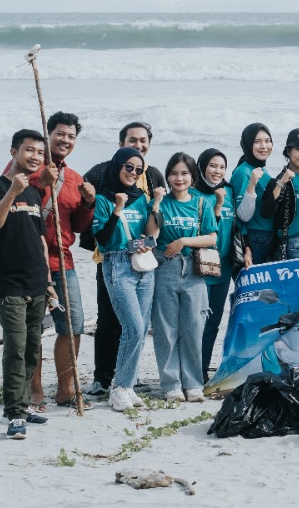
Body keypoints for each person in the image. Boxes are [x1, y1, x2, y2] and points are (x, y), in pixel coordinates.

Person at [81, 121, 165, 398]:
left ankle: (126, 379)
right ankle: (104, 379)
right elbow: (93, 221)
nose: (138, 146)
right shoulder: (101, 175)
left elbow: (150, 229)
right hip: (111, 260)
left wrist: (146, 240)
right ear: (121, 144)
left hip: (140, 261)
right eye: (132, 140)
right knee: (110, 321)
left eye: (143, 141)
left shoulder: (151, 178)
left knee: (137, 327)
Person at [0, 129, 54, 439]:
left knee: (32, 350)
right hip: (8, 283)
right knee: (15, 348)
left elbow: (40, 239)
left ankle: (21, 407)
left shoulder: (36, 193)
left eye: (39, 152)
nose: (35, 156)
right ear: (14, 152)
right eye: (29, 150)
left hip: (36, 282)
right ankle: (13, 414)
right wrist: (12, 192)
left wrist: (48, 281)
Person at [29, 111, 95, 410]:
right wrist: (40, 182)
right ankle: (34, 390)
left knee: (73, 323)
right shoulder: (29, 166)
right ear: (48, 133)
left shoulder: (74, 178)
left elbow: (80, 227)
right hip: (29, 260)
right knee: (31, 327)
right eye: (60, 134)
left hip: (63, 262)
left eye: (71, 136)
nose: (65, 140)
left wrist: (89, 203)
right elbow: (11, 193)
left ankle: (66, 390)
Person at [152, 152, 217, 403]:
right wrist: (156, 205)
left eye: (184, 173)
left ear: (193, 176)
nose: (179, 178)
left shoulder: (202, 203)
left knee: (193, 328)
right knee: (166, 329)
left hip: (194, 268)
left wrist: (184, 241)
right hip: (165, 267)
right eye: (174, 173)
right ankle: (170, 384)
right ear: (168, 176)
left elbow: (211, 237)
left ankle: (192, 383)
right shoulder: (162, 203)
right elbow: (152, 235)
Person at [194, 148, 234, 381]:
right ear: (202, 167)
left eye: (221, 167)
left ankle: (202, 370)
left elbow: (238, 225)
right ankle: (190, 369)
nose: (217, 171)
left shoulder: (229, 190)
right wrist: (217, 205)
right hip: (200, 266)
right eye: (212, 166)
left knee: (213, 322)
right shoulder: (194, 193)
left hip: (224, 265)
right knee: (196, 320)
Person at [259, 128, 299, 260]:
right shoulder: (278, 180)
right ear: (288, 151)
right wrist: (282, 182)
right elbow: (265, 211)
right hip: (292, 243)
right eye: (298, 149)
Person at [231, 123, 275, 267]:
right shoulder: (243, 172)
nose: (264, 146)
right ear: (248, 144)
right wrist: (247, 248)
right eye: (257, 142)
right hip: (254, 238)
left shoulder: (262, 169)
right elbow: (242, 216)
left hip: (266, 236)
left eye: (267, 141)